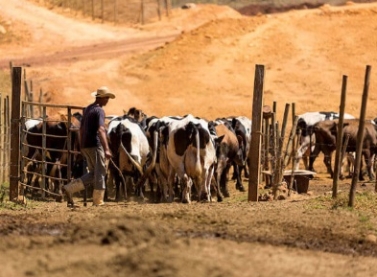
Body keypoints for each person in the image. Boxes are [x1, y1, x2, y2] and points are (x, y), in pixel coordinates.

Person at [62, 86, 115, 207]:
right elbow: (101, 130)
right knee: (101, 172)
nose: (108, 100)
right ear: (101, 98)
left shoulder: (88, 109)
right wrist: (106, 149)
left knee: (93, 173)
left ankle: (70, 188)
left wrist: (82, 146)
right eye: (107, 97)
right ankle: (98, 200)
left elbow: (81, 129)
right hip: (96, 145)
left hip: (86, 145)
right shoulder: (99, 111)